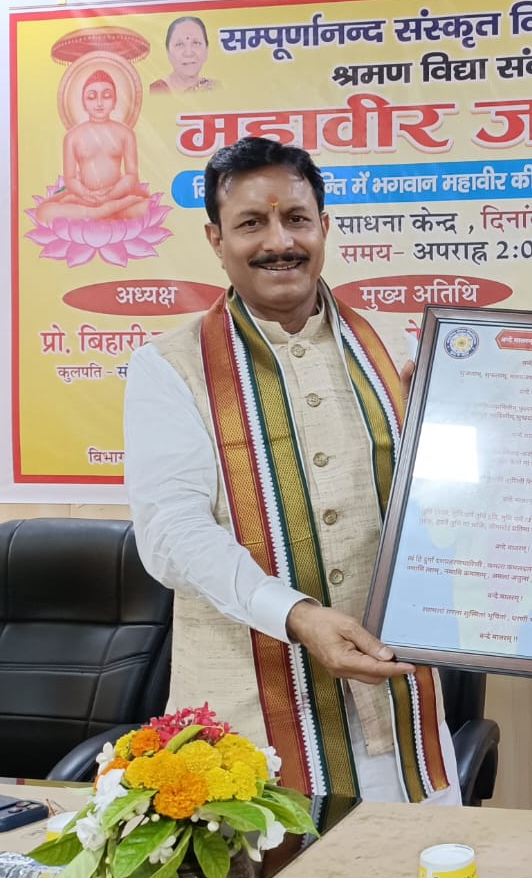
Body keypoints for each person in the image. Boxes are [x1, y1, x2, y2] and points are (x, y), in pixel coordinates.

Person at [123, 136, 458, 805]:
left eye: (297, 219)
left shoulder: (395, 347)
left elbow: (449, 501)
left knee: (417, 871)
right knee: (268, 876)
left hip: (397, 709)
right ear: (217, 239)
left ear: (323, 227)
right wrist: (297, 615)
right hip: (247, 727)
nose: (279, 242)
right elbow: (171, 534)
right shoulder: (170, 366)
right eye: (251, 223)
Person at [36, 69, 150, 222]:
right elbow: (70, 178)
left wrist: (110, 195)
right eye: (91, 97)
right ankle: (103, 212)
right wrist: (87, 194)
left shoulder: (125, 133)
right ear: (83, 103)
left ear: (115, 101)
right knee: (43, 212)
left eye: (107, 96)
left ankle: (101, 211)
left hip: (117, 195)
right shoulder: (72, 137)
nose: (99, 103)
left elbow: (132, 175)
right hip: (85, 199)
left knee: (147, 207)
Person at [149, 16, 217, 94]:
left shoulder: (214, 87)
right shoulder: (156, 90)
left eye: (196, 43)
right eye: (179, 44)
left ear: (206, 50)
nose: (188, 53)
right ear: (168, 52)